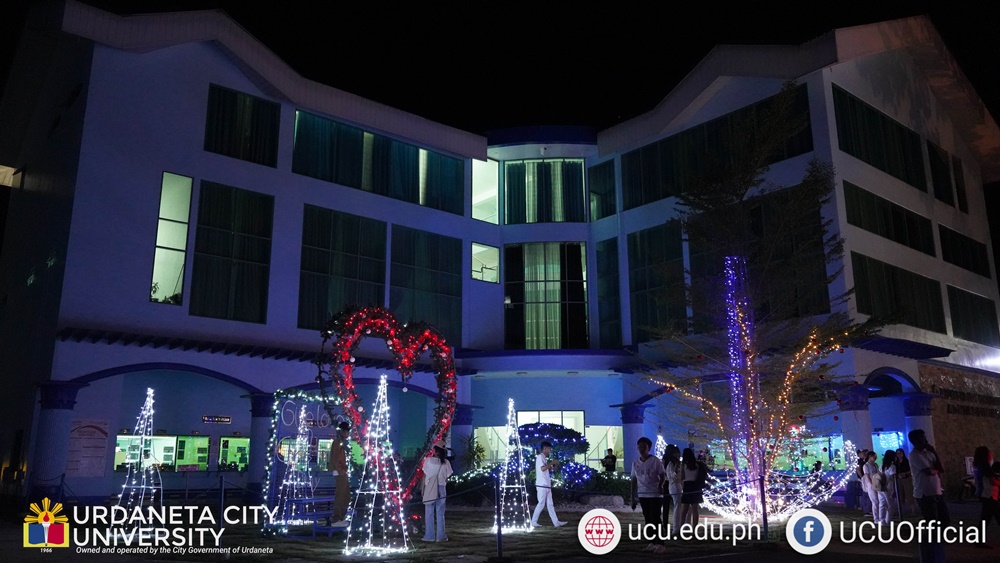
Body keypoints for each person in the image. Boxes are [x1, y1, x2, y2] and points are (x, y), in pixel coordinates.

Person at [908, 429, 949, 562]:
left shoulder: (929, 453)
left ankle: (936, 543)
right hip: (924, 493)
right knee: (932, 521)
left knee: (944, 519)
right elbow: (928, 471)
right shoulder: (914, 455)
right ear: (916, 441)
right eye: (923, 438)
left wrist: (934, 452)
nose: (926, 440)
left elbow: (940, 468)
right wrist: (935, 469)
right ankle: (931, 547)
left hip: (936, 491)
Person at [631, 437, 667, 554]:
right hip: (643, 494)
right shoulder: (635, 463)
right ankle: (652, 542)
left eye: (644, 447)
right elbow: (633, 479)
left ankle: (660, 543)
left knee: (655, 518)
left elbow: (662, 475)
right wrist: (632, 497)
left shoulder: (655, 461)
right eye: (639, 447)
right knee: (648, 519)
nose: (641, 449)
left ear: (648, 448)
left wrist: (660, 486)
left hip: (655, 494)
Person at [420, 440, 453, 542]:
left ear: (434, 450)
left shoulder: (428, 460)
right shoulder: (446, 463)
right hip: (441, 488)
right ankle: (440, 536)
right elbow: (447, 477)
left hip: (430, 487)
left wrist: (423, 489)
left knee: (429, 512)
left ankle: (429, 536)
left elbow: (424, 476)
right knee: (440, 513)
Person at [530, 442, 567, 527]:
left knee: (550, 504)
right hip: (542, 484)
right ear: (545, 448)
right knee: (541, 503)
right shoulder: (540, 457)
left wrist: (551, 466)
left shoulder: (543, 458)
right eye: (549, 449)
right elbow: (542, 468)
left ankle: (556, 522)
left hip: (546, 484)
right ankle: (533, 521)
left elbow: (545, 469)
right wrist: (552, 463)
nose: (550, 451)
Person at [678, 447, 708, 530]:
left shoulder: (684, 465)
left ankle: (681, 527)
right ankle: (695, 528)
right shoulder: (697, 464)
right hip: (696, 486)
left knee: (684, 510)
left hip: (687, 486)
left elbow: (681, 477)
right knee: (695, 509)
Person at [972, 446, 1000, 534]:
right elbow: (992, 481)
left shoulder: (978, 466)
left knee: (986, 517)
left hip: (983, 494)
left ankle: (979, 537)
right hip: (988, 494)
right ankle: (979, 537)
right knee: (994, 515)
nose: (991, 454)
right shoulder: (985, 467)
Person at [329, 421, 352, 527]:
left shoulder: (342, 442)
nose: (348, 433)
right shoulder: (338, 442)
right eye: (347, 431)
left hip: (342, 471)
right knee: (341, 495)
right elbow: (335, 458)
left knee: (346, 495)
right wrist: (340, 470)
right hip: (340, 472)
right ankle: (336, 518)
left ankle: (340, 517)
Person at [663, 444, 683, 530]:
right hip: (672, 484)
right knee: (677, 506)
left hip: (667, 483)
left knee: (667, 506)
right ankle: (675, 527)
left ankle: (666, 524)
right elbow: (673, 475)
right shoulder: (672, 463)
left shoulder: (666, 460)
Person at [862, 450, 882, 523]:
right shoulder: (866, 466)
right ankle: (876, 519)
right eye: (874, 456)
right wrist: (872, 484)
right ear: (870, 457)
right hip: (871, 485)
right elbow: (867, 476)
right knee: (875, 501)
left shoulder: (875, 465)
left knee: (879, 501)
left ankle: (880, 517)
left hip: (877, 483)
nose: (876, 458)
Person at [879, 450, 897, 524]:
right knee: (891, 505)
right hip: (888, 486)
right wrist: (894, 490)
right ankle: (887, 520)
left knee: (882, 504)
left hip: (881, 486)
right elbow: (893, 478)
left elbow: (879, 474)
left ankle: (882, 521)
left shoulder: (881, 465)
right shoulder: (892, 466)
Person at [895, 448, 913, 516]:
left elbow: (911, 470)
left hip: (906, 478)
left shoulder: (906, 461)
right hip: (898, 479)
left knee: (909, 494)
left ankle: (913, 510)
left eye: (900, 453)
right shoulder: (896, 462)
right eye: (897, 453)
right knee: (900, 495)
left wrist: (905, 473)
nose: (899, 455)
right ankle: (903, 510)